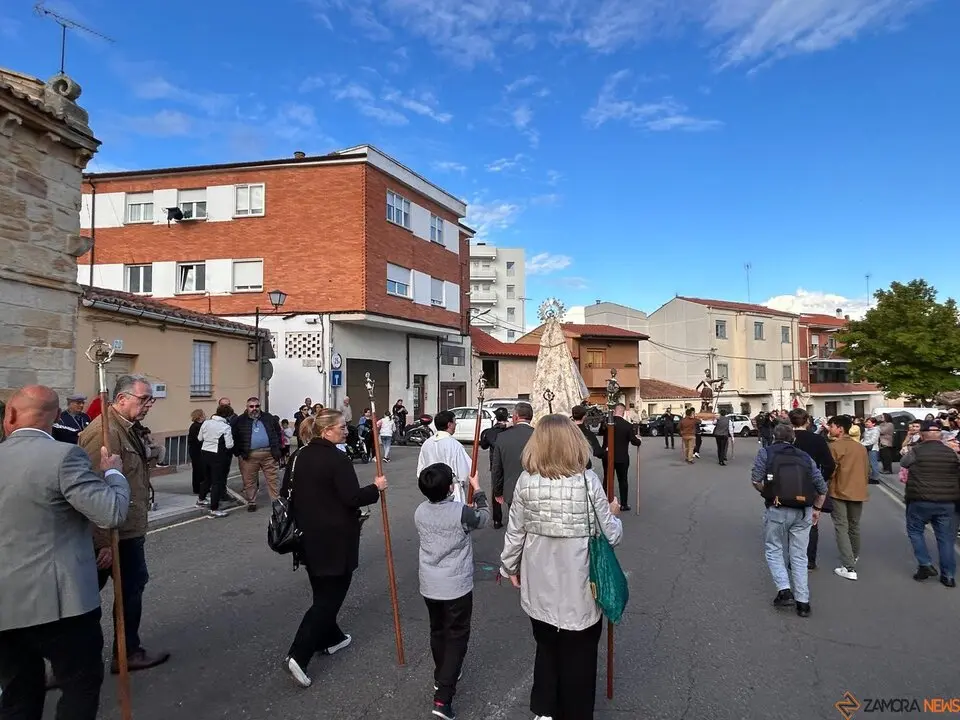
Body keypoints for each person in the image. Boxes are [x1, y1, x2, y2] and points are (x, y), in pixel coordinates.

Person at [0, 386, 130, 720]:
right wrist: (113, 472)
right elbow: (111, 512)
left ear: (9, 416)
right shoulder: (63, 456)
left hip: (5, 606)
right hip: (63, 604)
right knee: (79, 686)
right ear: (57, 417)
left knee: (17, 695)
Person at [501, 414, 622, 720]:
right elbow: (612, 535)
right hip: (579, 586)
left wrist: (508, 566)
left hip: (539, 583)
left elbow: (515, 532)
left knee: (546, 647)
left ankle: (544, 709)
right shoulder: (588, 481)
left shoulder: (526, 482)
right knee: (579, 657)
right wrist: (613, 512)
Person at [283, 410, 387, 688]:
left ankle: (332, 638)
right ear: (326, 430)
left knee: (322, 590)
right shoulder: (337, 459)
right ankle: (298, 654)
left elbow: (285, 494)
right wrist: (375, 488)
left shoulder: (297, 457)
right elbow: (352, 497)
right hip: (335, 539)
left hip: (305, 537)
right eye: (341, 427)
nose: (346, 430)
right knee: (329, 599)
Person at [78, 375, 170, 672]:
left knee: (129, 588)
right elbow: (91, 488)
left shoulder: (127, 429)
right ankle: (80, 661)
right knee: (87, 599)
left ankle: (125, 651)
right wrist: (102, 540)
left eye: (150, 399)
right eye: (144, 399)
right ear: (121, 399)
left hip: (127, 527)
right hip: (113, 533)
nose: (149, 404)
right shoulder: (104, 433)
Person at [415, 464, 488, 720]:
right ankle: (443, 697)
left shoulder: (420, 511)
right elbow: (483, 518)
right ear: (449, 487)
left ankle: (442, 674)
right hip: (455, 585)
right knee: (457, 636)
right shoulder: (460, 513)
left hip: (430, 583)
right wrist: (478, 490)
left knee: (438, 630)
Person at [750, 423, 827, 618]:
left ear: (774, 437)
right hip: (803, 510)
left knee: (774, 548)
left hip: (777, 508)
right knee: (799, 555)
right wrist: (817, 509)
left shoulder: (765, 453)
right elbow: (821, 486)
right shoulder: (804, 457)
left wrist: (768, 493)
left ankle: (784, 590)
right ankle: (803, 602)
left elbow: (756, 480)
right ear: (793, 439)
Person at [900, 420, 960, 587]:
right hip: (947, 501)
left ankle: (925, 564)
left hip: (920, 499)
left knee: (915, 531)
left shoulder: (916, 451)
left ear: (922, 434)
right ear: (940, 434)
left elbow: (904, 463)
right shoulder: (951, 452)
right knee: (946, 539)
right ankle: (948, 576)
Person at [789, 409, 836, 571]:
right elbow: (830, 464)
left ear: (790, 422)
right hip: (810, 485)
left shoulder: (787, 439)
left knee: (791, 522)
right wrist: (822, 479)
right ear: (808, 421)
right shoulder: (817, 440)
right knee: (811, 521)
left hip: (788, 484)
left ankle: (794, 559)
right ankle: (809, 560)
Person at [827, 415, 870, 581]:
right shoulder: (860, 447)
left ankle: (848, 566)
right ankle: (853, 555)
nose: (829, 429)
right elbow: (868, 470)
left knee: (841, 526)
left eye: (831, 426)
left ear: (840, 428)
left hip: (839, 490)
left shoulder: (834, 447)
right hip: (858, 491)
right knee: (854, 526)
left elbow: (830, 470)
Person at [232, 397, 283, 512]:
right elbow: (234, 436)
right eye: (251, 406)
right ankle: (252, 501)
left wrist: (278, 448)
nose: (254, 409)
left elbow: (278, 432)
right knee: (249, 480)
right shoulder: (240, 420)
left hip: (269, 453)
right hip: (249, 455)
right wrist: (238, 452)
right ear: (247, 407)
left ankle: (276, 500)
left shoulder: (268, 418)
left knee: (273, 478)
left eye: (257, 406)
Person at [418, 410, 473, 504]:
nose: (456, 425)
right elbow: (467, 471)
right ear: (449, 424)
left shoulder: (427, 444)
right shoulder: (455, 445)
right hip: (452, 490)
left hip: (432, 492)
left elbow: (421, 471)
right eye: (455, 422)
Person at [492, 402, 536, 510]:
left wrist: (497, 491)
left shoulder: (503, 437)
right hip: (535, 489)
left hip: (512, 489)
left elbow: (497, 468)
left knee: (515, 523)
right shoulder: (539, 435)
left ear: (515, 417)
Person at [602, 403, 643, 510]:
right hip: (622, 457)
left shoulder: (606, 424)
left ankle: (604, 502)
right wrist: (639, 440)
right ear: (623, 412)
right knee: (623, 480)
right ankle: (624, 504)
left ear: (614, 411)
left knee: (607, 479)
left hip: (607, 455)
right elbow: (634, 441)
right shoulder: (627, 425)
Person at [198, 404, 235, 517]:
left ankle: (201, 499)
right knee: (217, 482)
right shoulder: (225, 427)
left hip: (204, 452)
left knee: (207, 479)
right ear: (228, 415)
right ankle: (214, 509)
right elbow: (229, 445)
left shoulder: (206, 422)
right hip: (217, 455)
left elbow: (200, 438)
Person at [479, 408, 511, 528]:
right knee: (512, 488)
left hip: (496, 464)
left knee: (496, 491)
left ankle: (497, 520)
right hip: (508, 462)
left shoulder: (491, 432)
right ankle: (513, 516)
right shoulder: (510, 430)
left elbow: (483, 445)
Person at [572, 405, 604, 471]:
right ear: (584, 417)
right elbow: (598, 452)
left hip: (567, 465)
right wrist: (605, 451)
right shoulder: (588, 434)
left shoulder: (566, 431)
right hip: (584, 465)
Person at [188, 409, 206, 498]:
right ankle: (197, 488)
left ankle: (201, 487)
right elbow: (198, 440)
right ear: (200, 416)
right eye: (203, 414)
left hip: (198, 450)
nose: (205, 416)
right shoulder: (196, 426)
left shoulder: (199, 425)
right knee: (198, 470)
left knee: (201, 469)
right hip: (196, 451)